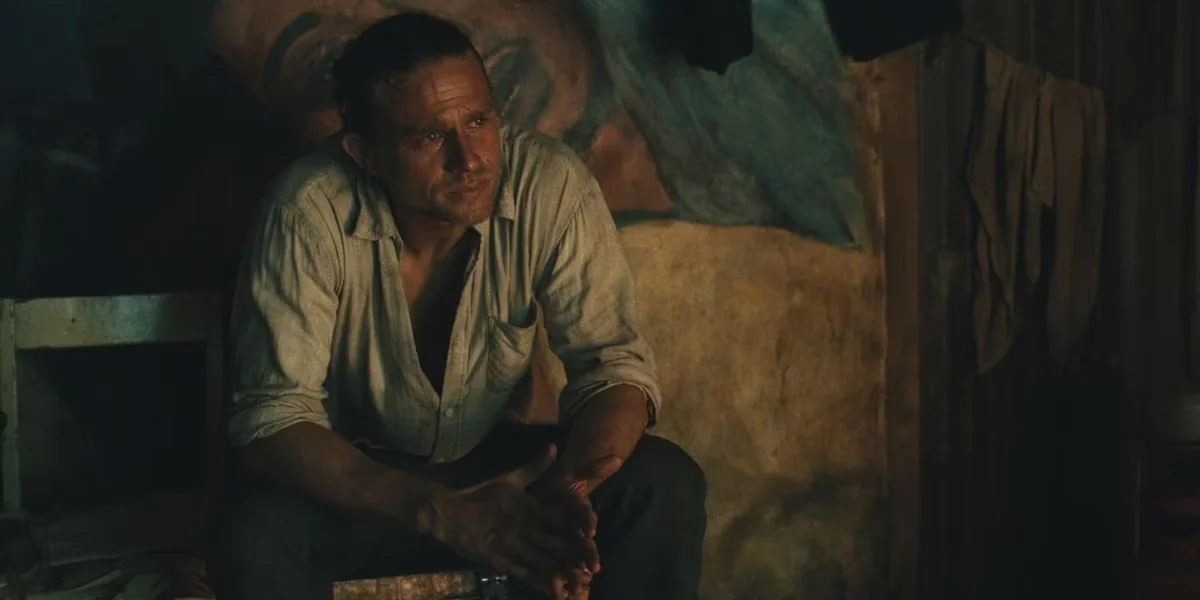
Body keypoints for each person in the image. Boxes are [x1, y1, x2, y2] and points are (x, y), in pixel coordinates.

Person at [208, 12, 706, 600]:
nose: (469, 159)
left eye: (478, 120)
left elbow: (613, 368)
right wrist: (437, 510)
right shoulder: (309, 209)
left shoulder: (549, 184)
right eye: (429, 136)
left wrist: (570, 488)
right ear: (366, 154)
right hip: (366, 488)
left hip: (506, 478)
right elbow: (272, 424)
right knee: (255, 533)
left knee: (661, 480)